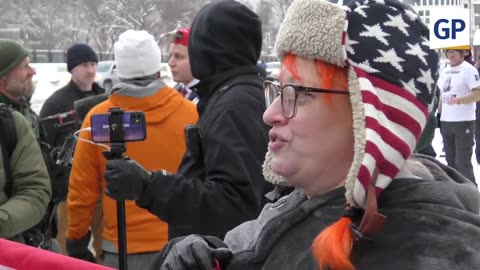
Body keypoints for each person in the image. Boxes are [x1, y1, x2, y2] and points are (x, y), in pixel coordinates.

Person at [149, 0, 480, 269]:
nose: (270, 114)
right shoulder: (301, 201)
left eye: (298, 93)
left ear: (369, 116)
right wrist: (210, 252)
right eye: (277, 91)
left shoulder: (426, 251)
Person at [104, 0, 272, 240]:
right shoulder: (233, 94)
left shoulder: (236, 105)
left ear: (210, 50)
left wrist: (148, 186)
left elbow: (235, 205)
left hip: (223, 254)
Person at [65, 29, 198, 269]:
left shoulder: (99, 120)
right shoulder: (190, 114)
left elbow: (82, 189)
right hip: (181, 245)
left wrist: (75, 237)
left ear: (119, 71)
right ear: (159, 70)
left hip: (122, 249)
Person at [40, 43, 105, 259]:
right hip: (68, 192)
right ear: (72, 69)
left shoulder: (105, 98)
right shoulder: (55, 103)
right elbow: (44, 150)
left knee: (107, 250)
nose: (91, 69)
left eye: (94, 64)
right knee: (66, 255)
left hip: (103, 190)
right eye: (85, 64)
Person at [0, 39, 52, 244]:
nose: (32, 72)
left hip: (16, 247)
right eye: (24, 67)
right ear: (3, 80)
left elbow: (35, 187)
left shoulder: (15, 120)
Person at [438, 48, 480, 184]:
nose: (451, 54)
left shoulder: (469, 69)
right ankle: (458, 195)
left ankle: (472, 196)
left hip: (464, 121)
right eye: (448, 51)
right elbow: (441, 94)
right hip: (446, 121)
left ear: (464, 54)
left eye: (455, 51)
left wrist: (460, 100)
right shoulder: (444, 70)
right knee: (450, 163)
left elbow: (477, 93)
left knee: (462, 163)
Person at [168, 28, 199, 103]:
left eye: (178, 57)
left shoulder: (208, 98)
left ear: (198, 59)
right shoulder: (174, 91)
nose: (170, 63)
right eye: (170, 55)